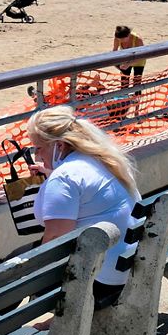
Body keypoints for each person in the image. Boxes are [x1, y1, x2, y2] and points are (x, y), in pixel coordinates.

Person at [26, 106, 140, 305]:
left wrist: (32, 274)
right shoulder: (104, 159)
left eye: (39, 148)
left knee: (13, 269)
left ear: (59, 145)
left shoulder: (66, 178)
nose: (37, 156)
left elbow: (56, 239)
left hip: (99, 281)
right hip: (126, 267)